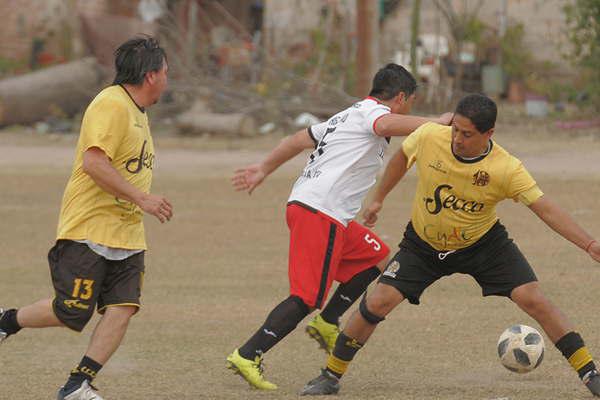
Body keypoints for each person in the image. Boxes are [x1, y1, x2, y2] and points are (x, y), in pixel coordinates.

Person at [300, 93, 600, 397]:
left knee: (533, 298)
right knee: (377, 302)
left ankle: (589, 372)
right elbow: (403, 156)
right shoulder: (431, 136)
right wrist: (379, 197)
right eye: (455, 129)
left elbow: (545, 208)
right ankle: (330, 375)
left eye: (467, 134)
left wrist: (588, 244)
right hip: (423, 245)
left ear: (489, 134)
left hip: (482, 244)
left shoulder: (506, 168)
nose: (457, 138)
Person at [227, 63, 453, 390]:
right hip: (322, 212)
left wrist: (264, 167)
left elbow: (296, 139)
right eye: (411, 103)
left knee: (376, 256)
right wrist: (434, 123)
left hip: (312, 207)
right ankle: (248, 354)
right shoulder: (372, 113)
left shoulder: (347, 114)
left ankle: (328, 321)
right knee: (305, 297)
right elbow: (386, 122)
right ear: (401, 97)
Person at [0, 36, 172, 400]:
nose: (168, 79)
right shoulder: (111, 105)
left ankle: (77, 385)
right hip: (89, 228)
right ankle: (6, 321)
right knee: (71, 311)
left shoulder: (138, 113)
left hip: (126, 233)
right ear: (152, 75)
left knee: (123, 308)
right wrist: (142, 198)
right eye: (166, 72)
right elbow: (94, 163)